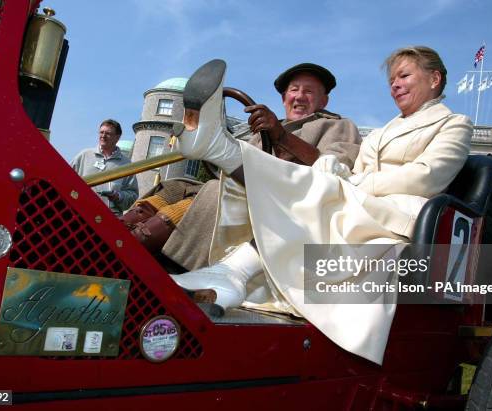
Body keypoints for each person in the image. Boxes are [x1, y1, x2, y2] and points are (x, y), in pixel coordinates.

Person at [170, 46, 472, 365]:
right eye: (392, 79)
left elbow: (426, 178)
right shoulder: (382, 133)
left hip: (402, 213)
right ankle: (230, 273)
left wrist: (351, 183)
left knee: (317, 187)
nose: (395, 84)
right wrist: (339, 173)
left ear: (435, 79)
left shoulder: (454, 124)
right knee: (315, 183)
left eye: (405, 76)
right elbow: (356, 172)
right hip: (361, 204)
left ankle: (222, 151)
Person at [122, 64, 362, 269]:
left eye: (309, 92)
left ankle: (138, 255)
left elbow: (333, 171)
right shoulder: (264, 127)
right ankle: (120, 233)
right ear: (284, 98)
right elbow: (235, 170)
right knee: (177, 186)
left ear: (324, 100)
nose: (299, 96)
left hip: (288, 206)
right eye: (294, 90)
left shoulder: (337, 126)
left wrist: (280, 137)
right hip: (249, 191)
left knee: (215, 193)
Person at [71, 119, 139, 216]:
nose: (103, 136)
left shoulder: (127, 164)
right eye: (101, 132)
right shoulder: (84, 155)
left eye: (108, 133)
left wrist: (118, 196)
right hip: (79, 212)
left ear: (117, 137)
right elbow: (66, 178)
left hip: (107, 218)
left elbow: (133, 195)